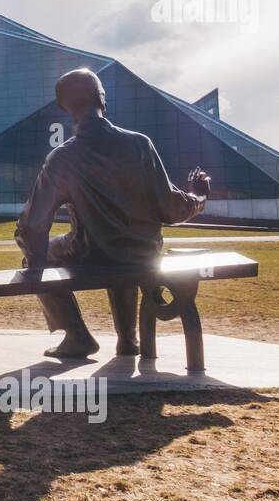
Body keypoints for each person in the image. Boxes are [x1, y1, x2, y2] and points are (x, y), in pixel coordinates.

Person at [15, 68, 211, 359]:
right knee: (121, 245)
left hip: (95, 253)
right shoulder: (140, 144)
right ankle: (127, 339)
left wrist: (36, 268)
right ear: (102, 98)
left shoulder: (62, 158)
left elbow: (32, 226)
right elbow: (170, 208)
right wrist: (199, 196)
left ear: (65, 108)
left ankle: (77, 335)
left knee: (48, 252)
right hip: (143, 255)